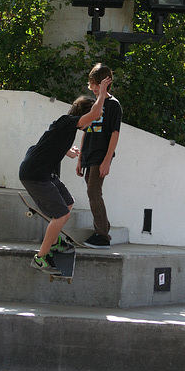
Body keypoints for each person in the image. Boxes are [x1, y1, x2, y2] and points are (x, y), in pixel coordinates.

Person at [19, 77, 112, 274]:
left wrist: (67, 151)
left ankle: (54, 241)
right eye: (94, 118)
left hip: (43, 171)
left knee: (68, 202)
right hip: (35, 174)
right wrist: (102, 93)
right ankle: (40, 257)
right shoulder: (68, 122)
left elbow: (47, 144)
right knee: (62, 214)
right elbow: (95, 112)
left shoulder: (65, 126)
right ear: (85, 115)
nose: (95, 120)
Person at [76, 63, 122, 248]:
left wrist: (107, 161)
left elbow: (115, 133)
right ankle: (103, 228)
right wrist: (80, 158)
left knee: (93, 191)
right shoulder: (93, 105)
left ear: (106, 83)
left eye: (97, 84)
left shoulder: (113, 105)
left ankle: (102, 235)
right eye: (92, 83)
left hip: (100, 156)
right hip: (88, 155)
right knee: (93, 192)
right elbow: (86, 130)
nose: (94, 87)